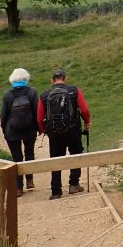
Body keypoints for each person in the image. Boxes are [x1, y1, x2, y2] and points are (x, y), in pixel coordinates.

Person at [37, 68, 91, 199]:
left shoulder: (44, 95)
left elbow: (39, 118)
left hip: (55, 133)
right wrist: (87, 123)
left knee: (56, 159)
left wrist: (44, 130)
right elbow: (84, 110)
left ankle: (56, 191)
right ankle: (74, 185)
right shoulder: (74, 90)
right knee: (76, 155)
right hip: (73, 130)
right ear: (65, 79)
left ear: (52, 80)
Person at [0, 68, 39, 197]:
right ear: (25, 79)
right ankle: (30, 180)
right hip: (29, 129)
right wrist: (38, 128)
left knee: (17, 158)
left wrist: (5, 131)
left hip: (12, 132)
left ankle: (18, 188)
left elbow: (3, 116)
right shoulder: (32, 92)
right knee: (29, 153)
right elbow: (36, 112)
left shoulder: (7, 95)